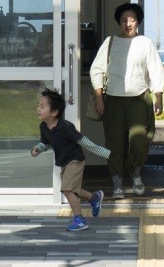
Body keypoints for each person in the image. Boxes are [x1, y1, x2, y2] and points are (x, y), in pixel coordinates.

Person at [90, 2, 164, 199]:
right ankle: (116, 183)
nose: (128, 23)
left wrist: (158, 95)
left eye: (131, 19)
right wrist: (99, 97)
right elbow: (96, 69)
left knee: (140, 140)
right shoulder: (110, 42)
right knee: (114, 143)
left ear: (138, 22)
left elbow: (156, 70)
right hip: (113, 100)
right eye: (124, 20)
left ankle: (136, 173)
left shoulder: (145, 43)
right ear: (119, 22)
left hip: (139, 99)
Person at [31, 88, 110, 231]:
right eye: (38, 105)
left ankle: (80, 219)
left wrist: (105, 153)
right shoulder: (44, 126)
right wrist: (38, 148)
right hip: (64, 162)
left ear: (54, 112)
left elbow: (84, 141)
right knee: (74, 189)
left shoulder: (65, 127)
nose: (38, 109)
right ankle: (94, 197)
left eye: (42, 107)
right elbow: (45, 143)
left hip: (75, 160)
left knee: (67, 189)